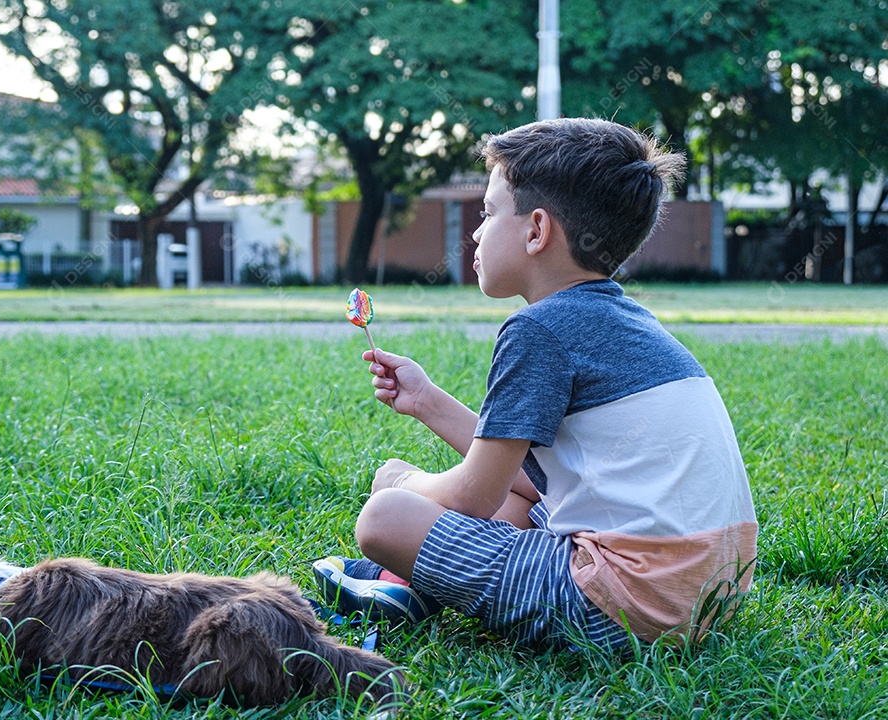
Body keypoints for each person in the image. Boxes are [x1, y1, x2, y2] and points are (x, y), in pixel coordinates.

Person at [314, 118, 758, 651]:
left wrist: (401, 485)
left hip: (623, 605)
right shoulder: (628, 321)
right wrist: (427, 401)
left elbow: (474, 495)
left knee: (386, 514)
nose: (476, 233)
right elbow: (526, 480)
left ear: (536, 231)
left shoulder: (538, 329)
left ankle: (410, 583)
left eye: (488, 212)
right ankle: (412, 581)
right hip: (711, 594)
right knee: (520, 507)